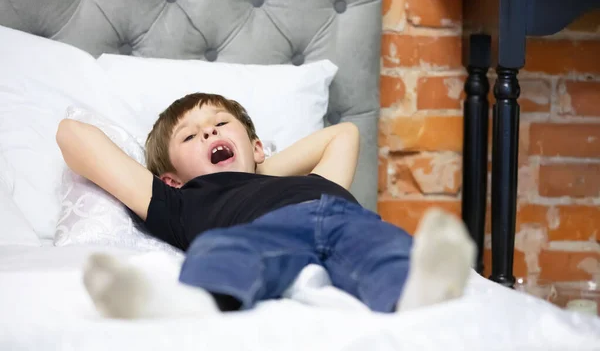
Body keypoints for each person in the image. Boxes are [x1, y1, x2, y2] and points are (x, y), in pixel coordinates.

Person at [56, 93, 475, 319]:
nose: (207, 132)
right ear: (171, 178)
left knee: (383, 246)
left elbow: (344, 134)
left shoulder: (312, 182)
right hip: (257, 228)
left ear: (256, 145)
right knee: (226, 252)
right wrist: (231, 172)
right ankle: (186, 304)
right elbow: (71, 135)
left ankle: (415, 293)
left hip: (344, 215)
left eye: (221, 125)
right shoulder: (178, 201)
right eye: (189, 137)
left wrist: (257, 166)